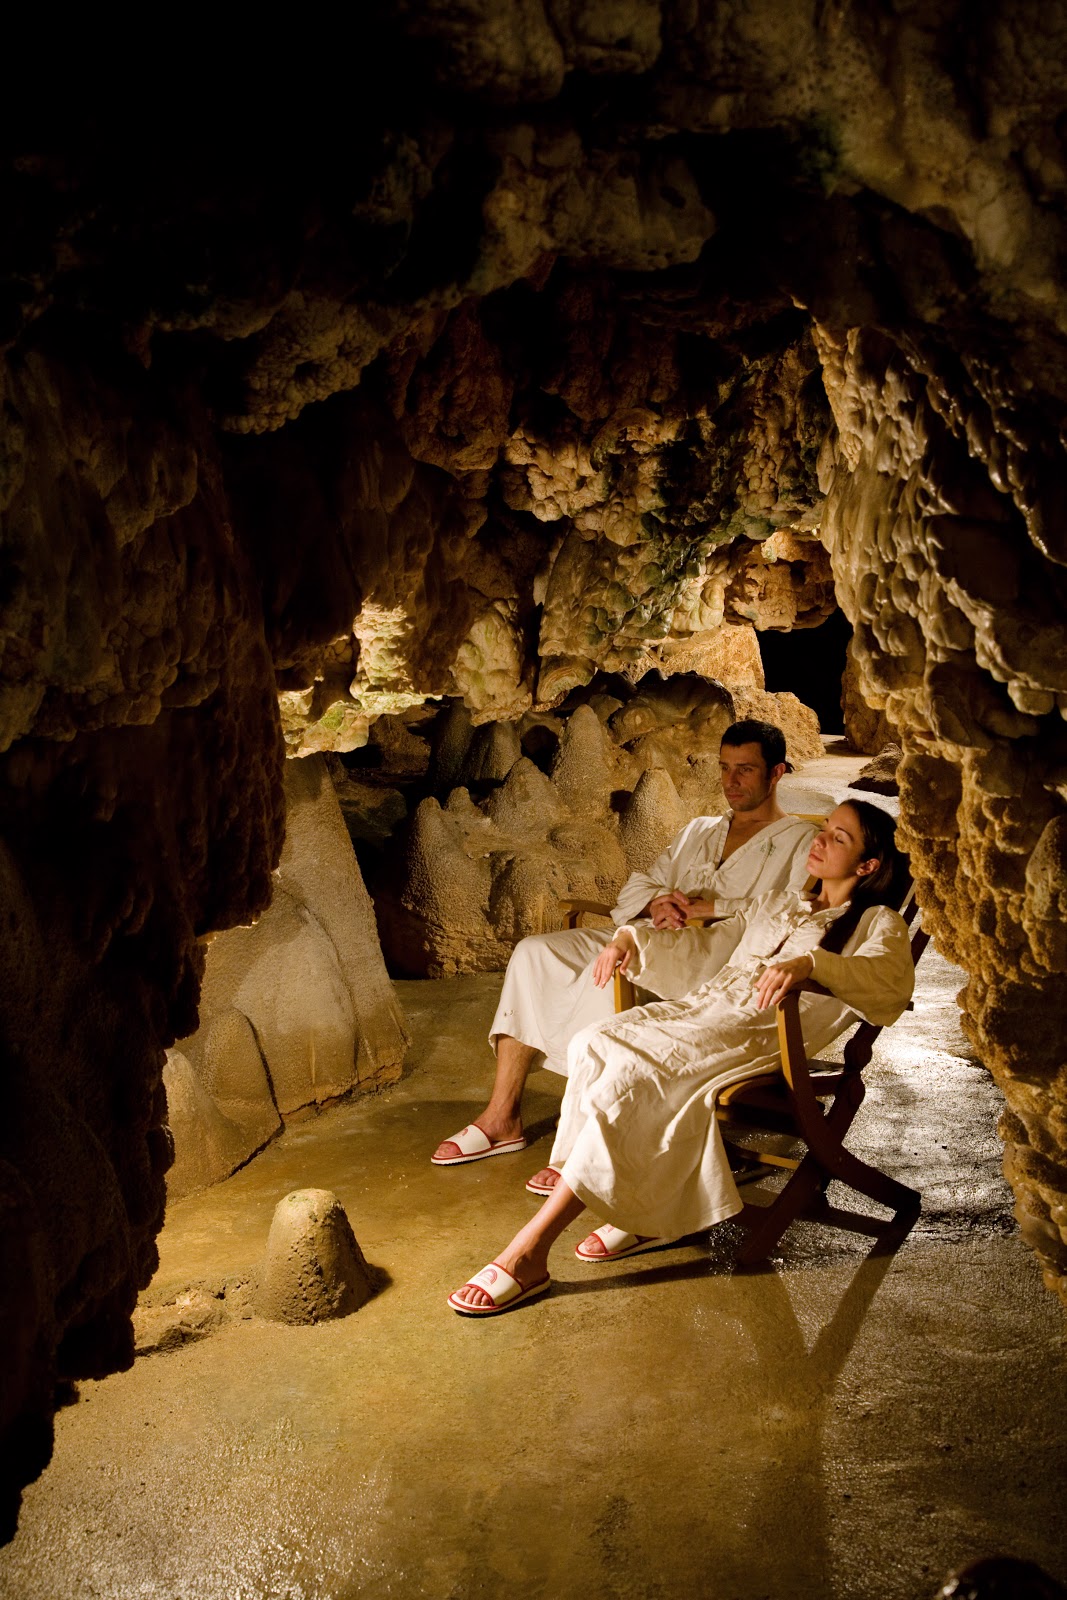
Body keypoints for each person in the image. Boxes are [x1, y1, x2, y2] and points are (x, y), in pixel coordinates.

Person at [447, 800, 915, 1314]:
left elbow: (889, 983)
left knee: (635, 1074)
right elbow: (708, 945)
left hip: (756, 1036)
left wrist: (810, 963)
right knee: (596, 1041)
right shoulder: (781, 903)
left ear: (868, 865)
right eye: (823, 829)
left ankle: (529, 1252)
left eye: (839, 838)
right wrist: (632, 938)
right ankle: (638, 1211)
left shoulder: (877, 923)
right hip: (705, 1011)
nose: (819, 840)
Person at [432, 719, 818, 1169]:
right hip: (650, 932)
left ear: (777, 772)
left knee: (611, 972)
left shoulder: (801, 841)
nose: (730, 781)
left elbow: (791, 909)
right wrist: (657, 902)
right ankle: (503, 1116)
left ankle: (592, 1137)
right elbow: (642, 883)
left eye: (745, 770)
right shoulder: (700, 830)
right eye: (725, 767)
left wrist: (706, 909)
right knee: (534, 954)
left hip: (714, 960)